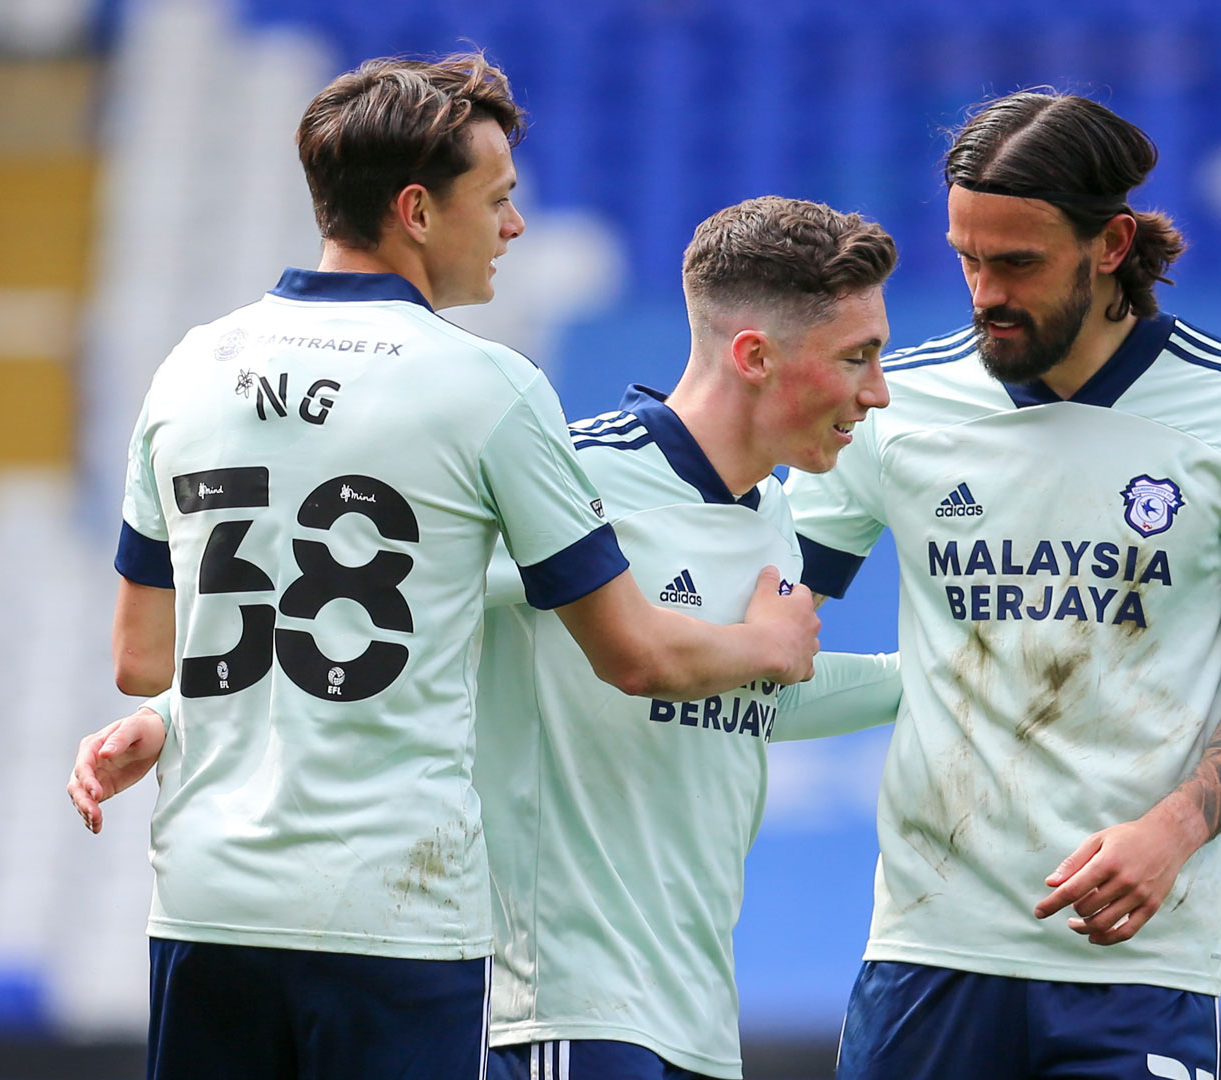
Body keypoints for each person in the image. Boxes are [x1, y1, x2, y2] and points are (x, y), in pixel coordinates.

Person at [77, 55, 818, 1080]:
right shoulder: (488, 387)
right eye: (500, 199)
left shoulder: (191, 364)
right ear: (417, 211)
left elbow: (140, 656)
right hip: (393, 911)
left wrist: (168, 720)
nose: (513, 226)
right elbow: (634, 656)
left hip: (207, 900)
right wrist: (768, 642)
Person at [783, 91, 1221, 1080]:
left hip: (1141, 954)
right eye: (966, 258)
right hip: (930, 948)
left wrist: (1173, 832)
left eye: (1018, 263)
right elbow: (764, 634)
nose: (985, 290)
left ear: (1112, 243)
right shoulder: (893, 409)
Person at [477, 196, 903, 1080]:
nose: (877, 391)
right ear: (755, 356)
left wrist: (937, 677)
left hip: (695, 1019)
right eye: (856, 358)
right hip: (561, 1006)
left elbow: (754, 696)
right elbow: (383, 614)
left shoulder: (772, 514)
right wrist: (175, 717)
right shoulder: (575, 480)